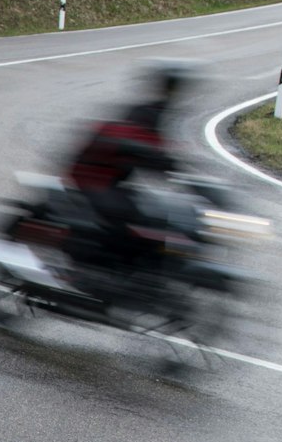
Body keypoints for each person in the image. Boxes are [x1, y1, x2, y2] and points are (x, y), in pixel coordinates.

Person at [60, 60, 194, 286]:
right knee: (134, 220)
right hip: (94, 178)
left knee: (160, 215)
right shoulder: (145, 112)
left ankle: (135, 273)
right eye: (173, 85)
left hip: (113, 179)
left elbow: (157, 152)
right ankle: (91, 272)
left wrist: (182, 172)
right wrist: (159, 160)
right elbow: (136, 143)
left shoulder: (159, 110)